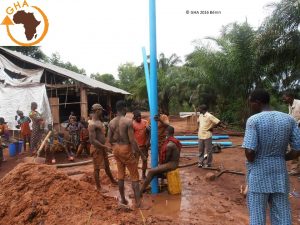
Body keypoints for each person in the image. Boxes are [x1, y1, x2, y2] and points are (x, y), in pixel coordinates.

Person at [243, 89, 300, 225]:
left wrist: (261, 157)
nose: (251, 106)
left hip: (258, 175)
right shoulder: (289, 119)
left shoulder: (254, 120)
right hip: (280, 174)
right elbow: (297, 150)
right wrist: (280, 157)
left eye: (251, 102)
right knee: (282, 214)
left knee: (257, 214)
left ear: (258, 102)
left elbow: (250, 153)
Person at [108, 100, 141, 208]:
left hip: (116, 149)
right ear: (123, 108)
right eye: (126, 108)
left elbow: (109, 139)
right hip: (126, 148)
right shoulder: (127, 122)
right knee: (135, 176)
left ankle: (123, 199)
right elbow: (132, 140)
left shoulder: (111, 122)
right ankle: (138, 203)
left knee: (120, 175)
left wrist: (117, 141)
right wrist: (140, 153)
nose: (127, 110)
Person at [140, 126, 181, 195]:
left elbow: (166, 159)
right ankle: (144, 189)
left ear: (166, 132)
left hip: (172, 164)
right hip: (174, 163)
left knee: (151, 172)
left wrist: (160, 165)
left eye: (165, 131)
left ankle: (140, 192)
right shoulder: (174, 141)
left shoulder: (170, 145)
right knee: (154, 173)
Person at [88, 103, 117, 192]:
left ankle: (113, 181)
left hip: (102, 148)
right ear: (97, 111)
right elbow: (93, 140)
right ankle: (98, 187)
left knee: (107, 166)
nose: (102, 112)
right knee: (96, 168)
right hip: (97, 149)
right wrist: (105, 147)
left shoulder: (99, 122)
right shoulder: (92, 124)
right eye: (101, 110)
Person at [282, 91, 300, 175]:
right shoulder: (290, 105)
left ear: (290, 97)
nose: (284, 99)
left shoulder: (299, 103)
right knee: (294, 148)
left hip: (298, 129)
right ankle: (295, 169)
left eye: (285, 97)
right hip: (295, 130)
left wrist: (298, 123)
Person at [132, 110, 150, 179]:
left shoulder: (145, 122)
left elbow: (149, 132)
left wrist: (148, 140)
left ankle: (143, 175)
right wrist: (133, 148)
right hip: (136, 147)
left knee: (145, 160)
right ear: (135, 117)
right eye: (137, 116)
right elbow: (131, 137)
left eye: (140, 116)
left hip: (144, 146)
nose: (139, 117)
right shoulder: (132, 124)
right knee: (135, 162)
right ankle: (135, 176)